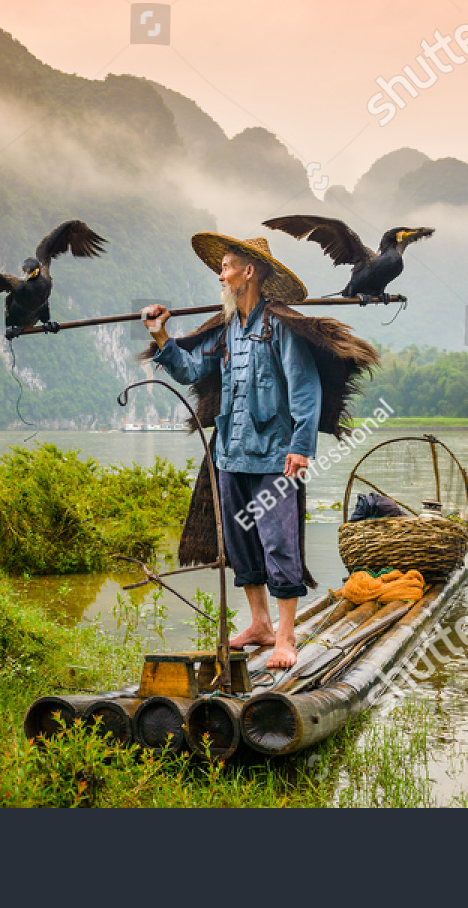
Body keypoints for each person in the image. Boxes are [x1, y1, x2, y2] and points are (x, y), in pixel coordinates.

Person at [141, 235, 323, 668]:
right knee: (241, 544)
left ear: (249, 272)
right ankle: (258, 625)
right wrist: (161, 335)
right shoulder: (225, 331)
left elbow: (305, 388)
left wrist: (301, 446)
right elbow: (190, 368)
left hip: (275, 456)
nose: (220, 275)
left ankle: (285, 638)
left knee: (279, 543)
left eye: (226, 267)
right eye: (220, 268)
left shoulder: (279, 326)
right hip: (231, 455)